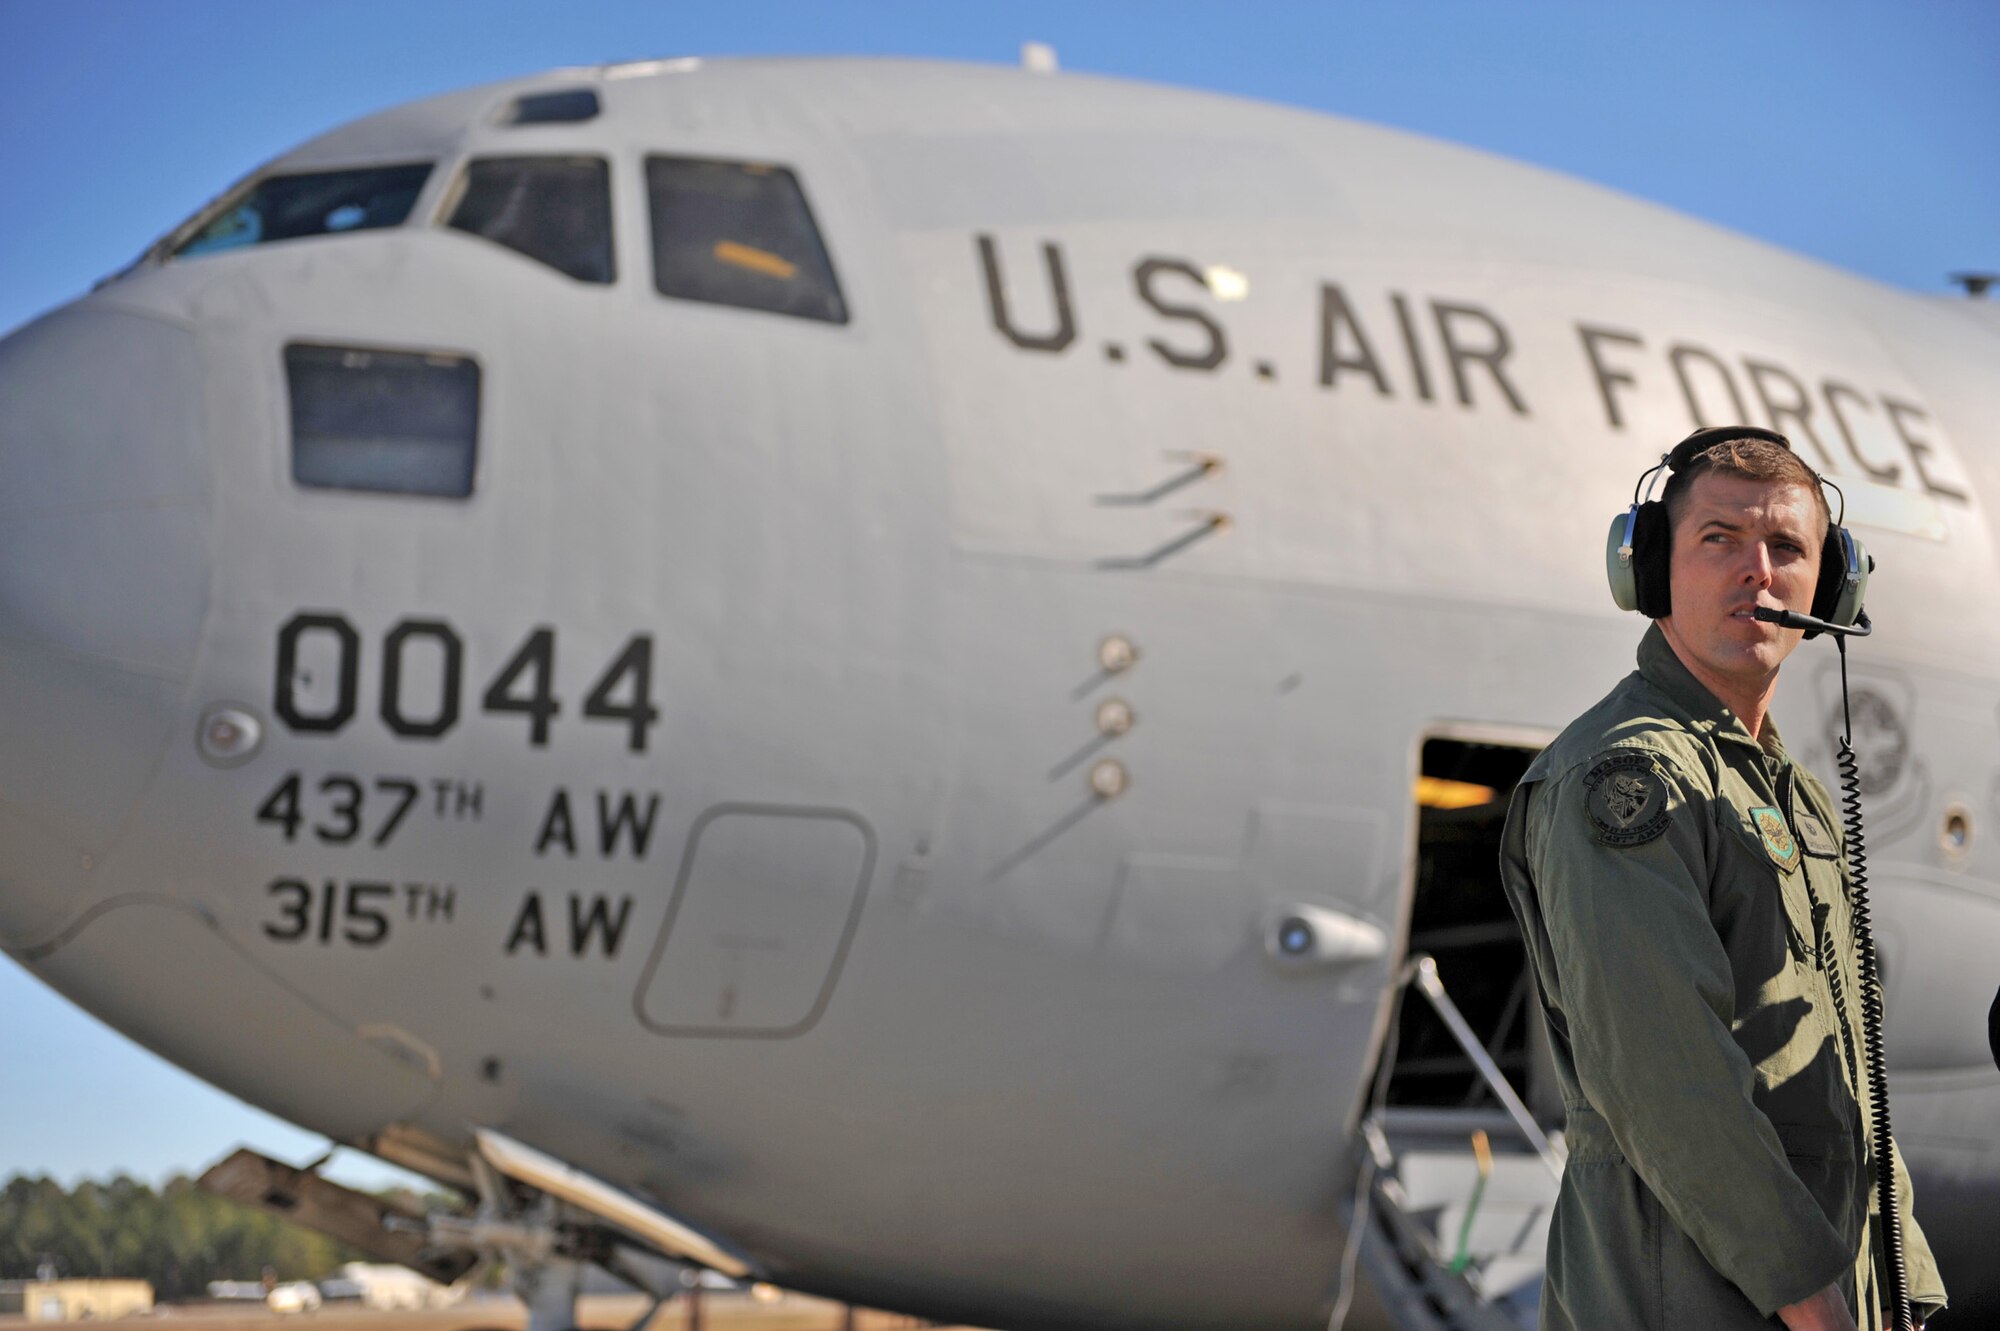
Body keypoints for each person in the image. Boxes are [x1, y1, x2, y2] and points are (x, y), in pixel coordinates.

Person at [1497, 428, 1947, 1330]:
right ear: (1653, 569)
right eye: (1720, 539)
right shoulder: (1628, 777)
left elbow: (1850, 1077)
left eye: (1788, 547)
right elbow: (1665, 1072)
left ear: (1834, 582)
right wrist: (1808, 1292)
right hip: (1693, 1292)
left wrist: (1905, 1283)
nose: (1759, 571)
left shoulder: (1786, 789)